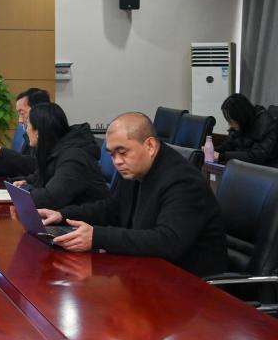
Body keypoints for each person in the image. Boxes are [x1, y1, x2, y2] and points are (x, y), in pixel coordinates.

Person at [38, 112, 226, 277]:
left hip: (190, 286)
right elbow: (111, 209)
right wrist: (63, 215)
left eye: (123, 152)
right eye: (112, 154)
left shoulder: (183, 182)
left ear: (150, 146)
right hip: (150, 273)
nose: (117, 161)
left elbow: (167, 241)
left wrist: (97, 237)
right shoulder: (135, 170)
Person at [13, 103, 108, 209]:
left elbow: (49, 199)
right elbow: (39, 177)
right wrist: (25, 182)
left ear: (38, 131)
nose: (26, 130)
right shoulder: (53, 148)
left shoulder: (74, 157)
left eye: (28, 125)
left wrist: (23, 190)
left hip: (83, 217)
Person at [0, 88, 50, 175]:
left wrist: (1, 152)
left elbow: (36, 167)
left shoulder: (51, 136)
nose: (20, 120)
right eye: (18, 114)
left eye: (22, 113)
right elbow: (18, 167)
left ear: (39, 110)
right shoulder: (29, 135)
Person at [216, 93, 277, 166]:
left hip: (265, 169)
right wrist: (211, 151)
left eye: (231, 121)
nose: (230, 125)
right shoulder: (241, 125)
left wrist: (222, 157)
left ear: (240, 116)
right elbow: (228, 145)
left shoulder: (267, 125)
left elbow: (256, 157)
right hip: (243, 167)